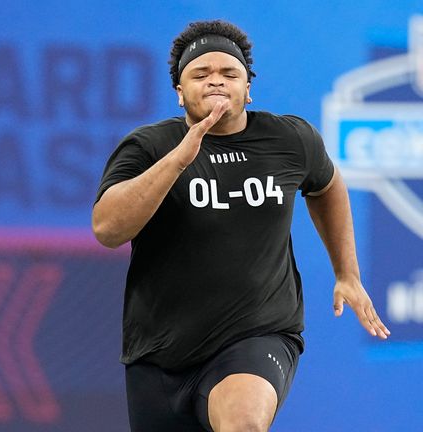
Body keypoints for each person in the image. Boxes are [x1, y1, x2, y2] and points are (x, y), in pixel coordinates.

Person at [91, 19, 390, 432]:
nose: (216, 81)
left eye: (229, 73)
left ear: (248, 88)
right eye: (201, 73)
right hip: (160, 353)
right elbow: (108, 229)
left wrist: (347, 273)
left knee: (242, 424)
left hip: (259, 336)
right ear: (180, 93)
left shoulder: (290, 139)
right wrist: (180, 158)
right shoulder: (149, 146)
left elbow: (327, 185)